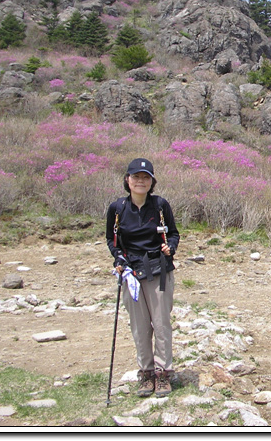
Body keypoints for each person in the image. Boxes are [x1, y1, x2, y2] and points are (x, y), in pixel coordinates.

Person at [106, 158, 180, 397]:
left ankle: (162, 373)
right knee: (139, 327)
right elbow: (112, 239)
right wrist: (118, 259)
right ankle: (146, 373)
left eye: (145, 177)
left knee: (161, 324)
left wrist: (171, 247)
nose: (140, 181)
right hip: (131, 273)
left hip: (159, 271)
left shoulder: (160, 205)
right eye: (136, 177)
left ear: (152, 181)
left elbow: (174, 233)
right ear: (127, 180)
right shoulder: (117, 209)